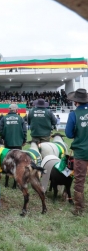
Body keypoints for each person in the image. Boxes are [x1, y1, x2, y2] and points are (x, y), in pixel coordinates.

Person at [65, 88, 88, 216]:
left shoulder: (74, 114)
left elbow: (68, 133)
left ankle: (79, 208)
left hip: (81, 151)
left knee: (79, 179)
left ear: (75, 101)